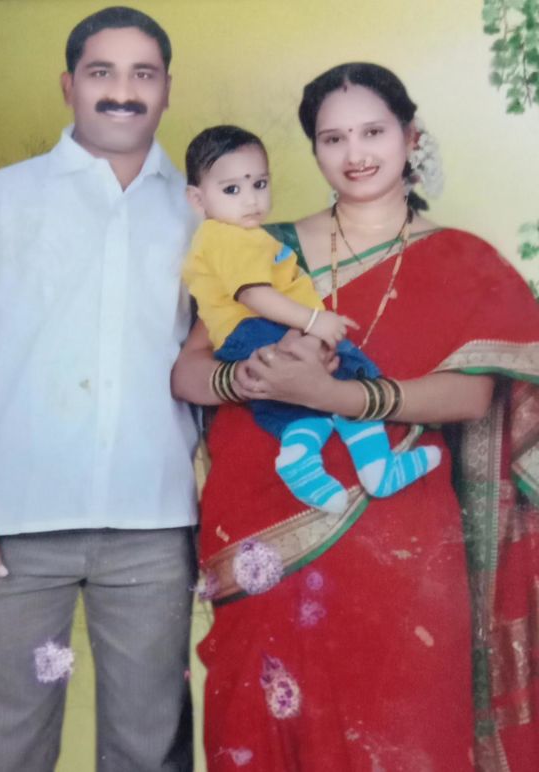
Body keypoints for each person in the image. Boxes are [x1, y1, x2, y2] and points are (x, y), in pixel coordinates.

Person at [172, 63, 539, 771]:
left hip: (401, 539)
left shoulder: (465, 261)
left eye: (373, 132)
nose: (355, 153)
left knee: (402, 730)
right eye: (333, 138)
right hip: (263, 531)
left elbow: (470, 398)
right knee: (265, 724)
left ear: (410, 136)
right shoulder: (260, 245)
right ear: (313, 149)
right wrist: (240, 377)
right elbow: (188, 370)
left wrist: (342, 398)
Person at [0, 7, 198, 772]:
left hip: (155, 523)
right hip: (11, 522)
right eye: (101, 72)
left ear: (167, 89)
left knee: (151, 752)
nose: (123, 91)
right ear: (68, 84)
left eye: (143, 74)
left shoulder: (200, 213)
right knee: (4, 751)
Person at [182, 124, 440, 515]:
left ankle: (299, 461)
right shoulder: (229, 237)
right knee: (351, 371)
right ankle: (378, 467)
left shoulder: (236, 235)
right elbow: (253, 294)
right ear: (197, 199)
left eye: (259, 184)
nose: (251, 200)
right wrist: (314, 321)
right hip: (258, 328)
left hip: (247, 336)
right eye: (232, 189)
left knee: (297, 407)